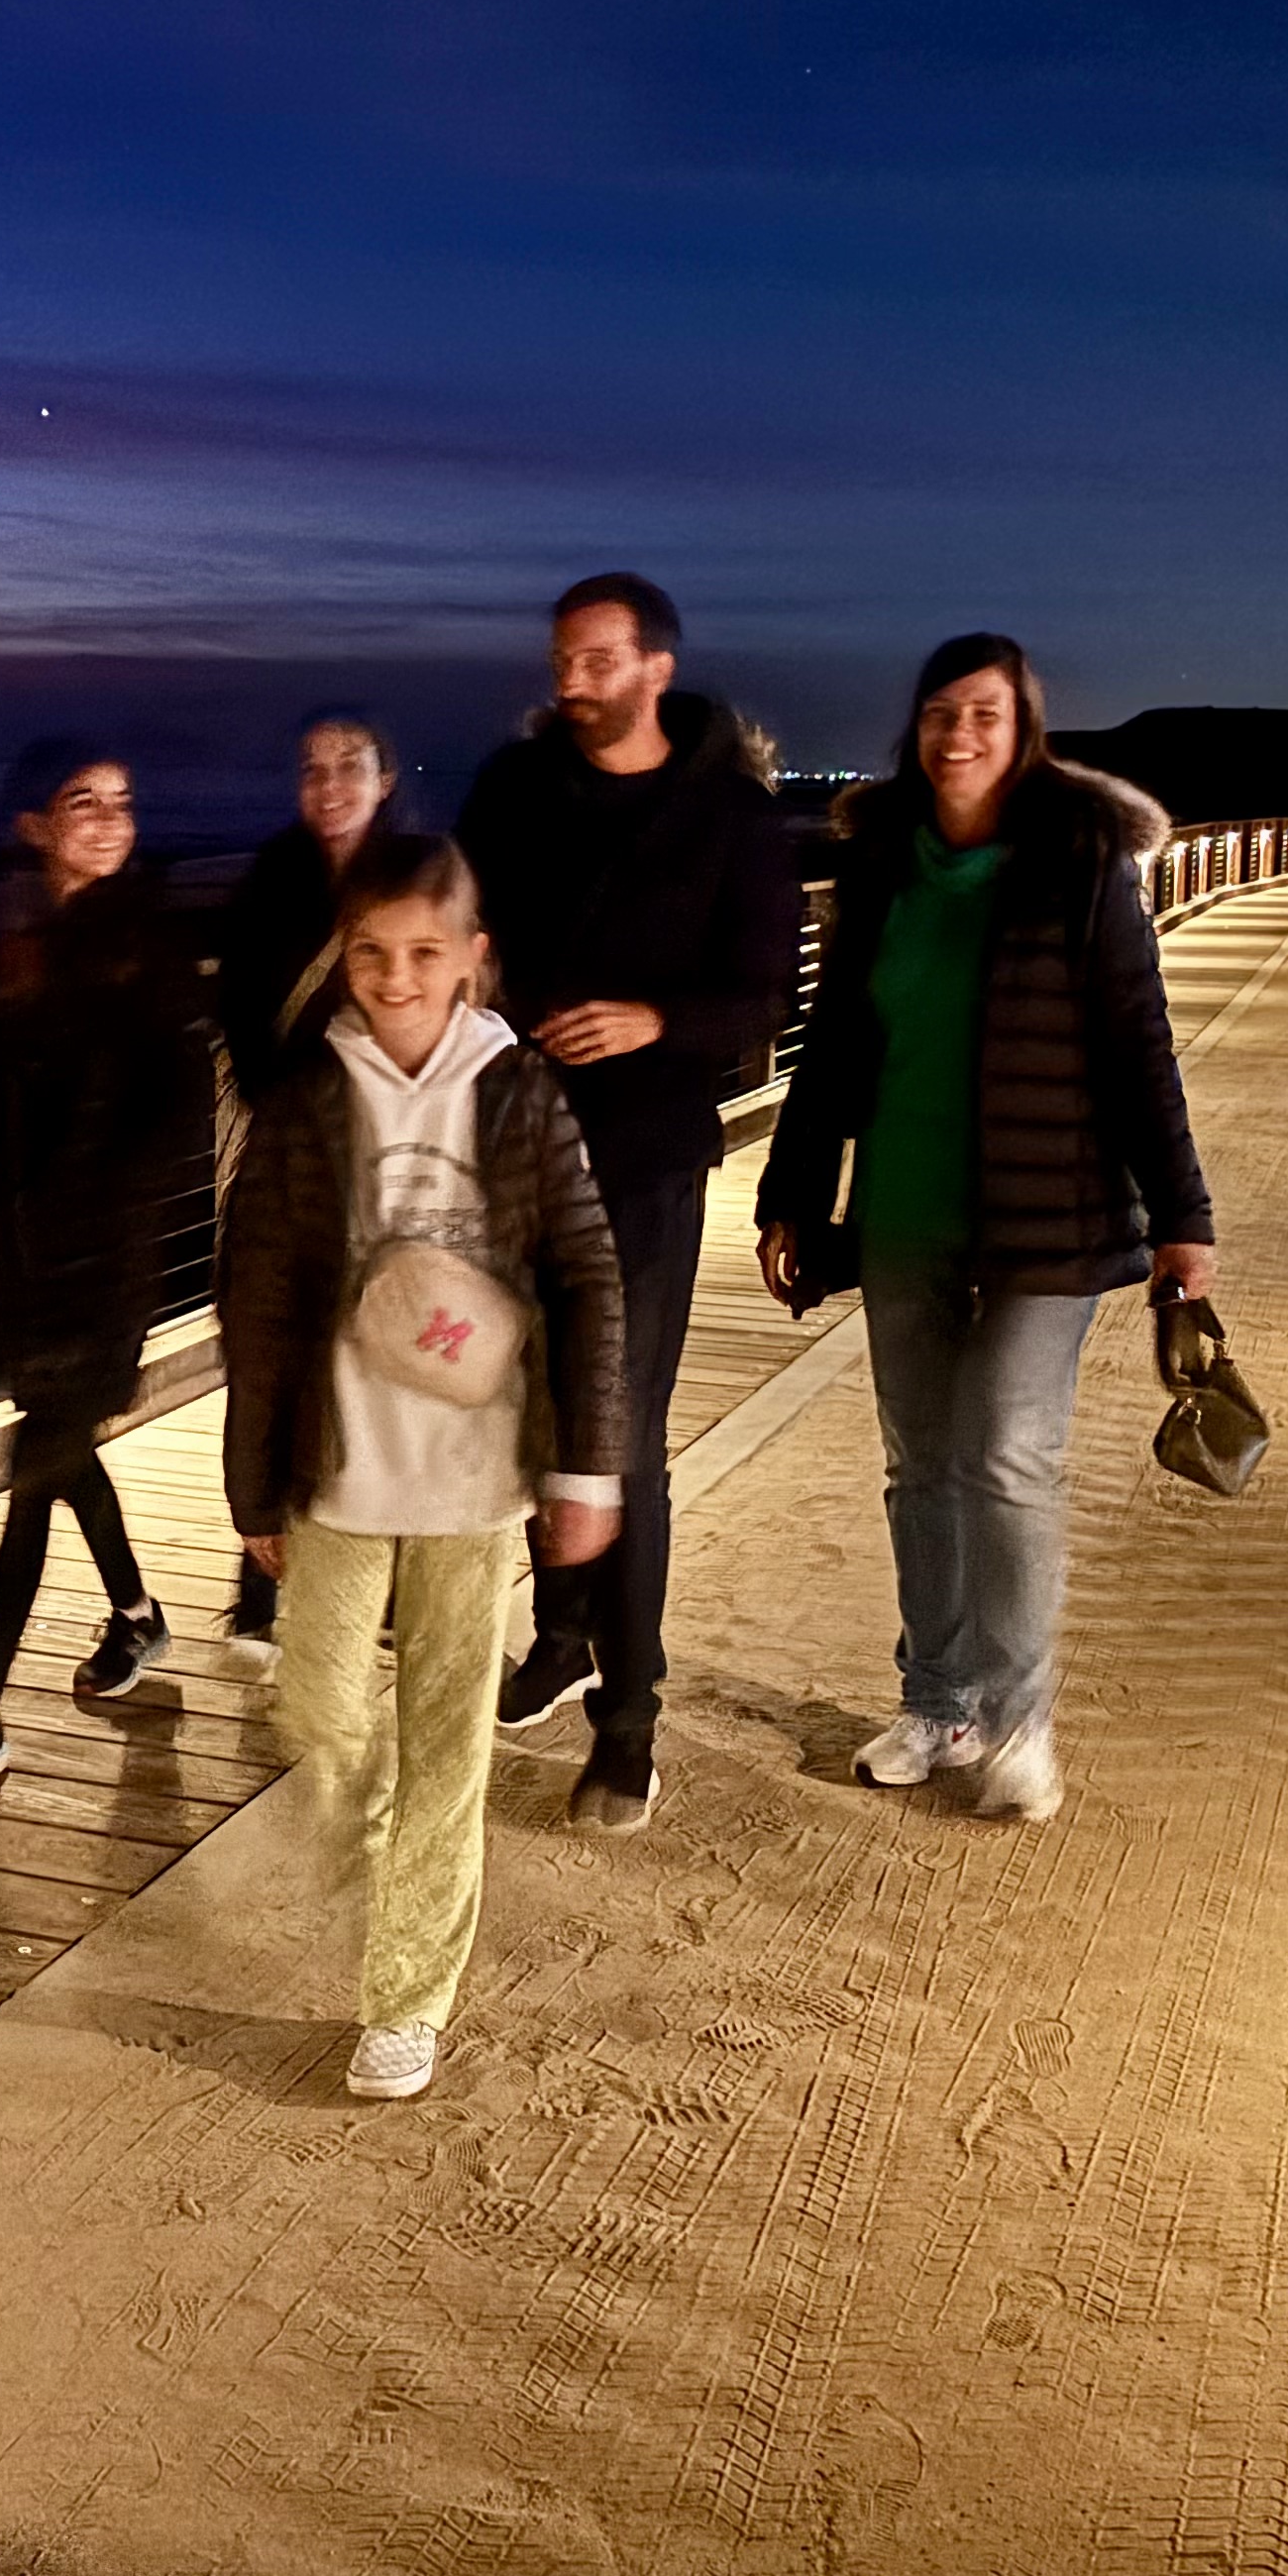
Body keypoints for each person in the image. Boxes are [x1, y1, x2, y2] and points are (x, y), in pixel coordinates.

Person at [752, 633, 1215, 1823]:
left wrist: (1183, 1216)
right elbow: (835, 1054)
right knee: (923, 1466)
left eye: (986, 715)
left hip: (1045, 1222)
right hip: (905, 1208)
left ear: (1025, 733)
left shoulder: (1080, 858)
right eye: (941, 712)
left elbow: (1137, 1045)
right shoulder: (880, 868)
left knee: (1008, 1461)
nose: (960, 734)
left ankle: (1020, 1720)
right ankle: (938, 1701)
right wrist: (794, 1197)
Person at [219, 833, 627, 2098]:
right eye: (372, 954)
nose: (396, 980)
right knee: (323, 1714)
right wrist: (251, 1485)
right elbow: (259, 1291)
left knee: (448, 1737)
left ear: (472, 961)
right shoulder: (307, 1096)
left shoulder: (519, 1094)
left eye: (424, 955)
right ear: (345, 956)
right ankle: (393, 1854)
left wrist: (590, 1470)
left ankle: (406, 1999)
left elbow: (588, 1276)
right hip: (338, 1470)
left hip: (471, 1473)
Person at [453, 572, 801, 1833]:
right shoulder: (511, 792)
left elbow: (763, 996)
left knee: (620, 1429)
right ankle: (558, 1642)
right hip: (510, 1147)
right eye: (563, 659)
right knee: (528, 1410)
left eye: (599, 660)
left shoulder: (732, 820)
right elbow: (460, 924)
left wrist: (654, 1020)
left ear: (656, 667)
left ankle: (630, 1719)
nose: (573, 682)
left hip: (646, 1158)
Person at [0, 740, 207, 1796]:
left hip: (103, 1257)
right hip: (13, 1250)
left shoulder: (145, 945)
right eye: (81, 800)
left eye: (123, 802)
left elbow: (177, 1112)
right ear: (35, 824)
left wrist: (111, 1207)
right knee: (58, 1443)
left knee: (37, 1462)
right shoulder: (4, 940)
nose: (107, 817)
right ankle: (137, 1614)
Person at [209, 706, 405, 1666]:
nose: (330, 784)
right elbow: (241, 1012)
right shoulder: (269, 881)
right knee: (270, 1353)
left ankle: (394, 1583)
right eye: (313, 766)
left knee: (381, 1361)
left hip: (387, 1157)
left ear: (386, 779)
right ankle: (261, 1583)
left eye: (350, 765)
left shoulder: (413, 878)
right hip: (283, 1155)